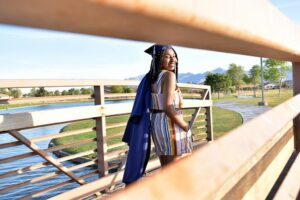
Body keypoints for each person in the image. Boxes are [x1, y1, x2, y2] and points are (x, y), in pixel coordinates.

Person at [146, 44, 193, 166]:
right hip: (170, 124)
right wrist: (185, 126)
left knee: (165, 167)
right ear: (158, 59)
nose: (173, 60)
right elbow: (168, 107)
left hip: (157, 124)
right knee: (175, 169)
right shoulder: (169, 75)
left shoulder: (152, 78)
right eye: (167, 57)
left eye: (174, 56)